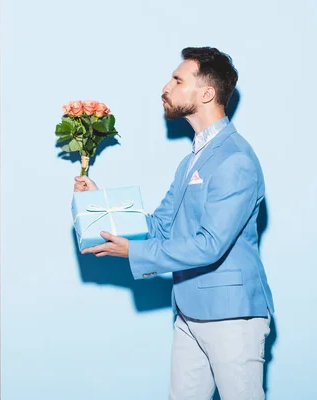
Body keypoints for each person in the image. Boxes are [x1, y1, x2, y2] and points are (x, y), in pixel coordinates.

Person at [75, 47, 274, 400]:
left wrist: (135, 252)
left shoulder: (235, 160)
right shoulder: (191, 161)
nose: (165, 87)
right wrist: (100, 202)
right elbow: (161, 225)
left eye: (178, 80)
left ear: (207, 93)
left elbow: (209, 244)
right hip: (188, 311)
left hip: (231, 316)